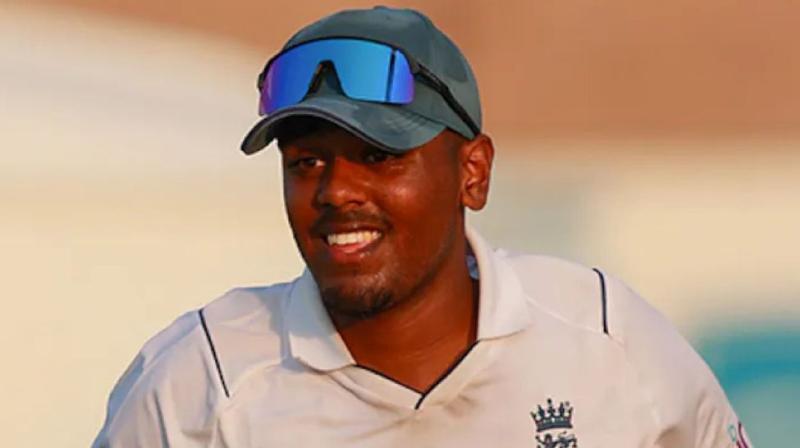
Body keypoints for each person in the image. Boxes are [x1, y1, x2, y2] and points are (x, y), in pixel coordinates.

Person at [92, 6, 752, 448]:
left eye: (380, 156)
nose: (335, 191)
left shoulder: (606, 336)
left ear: (473, 172)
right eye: (306, 162)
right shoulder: (201, 381)